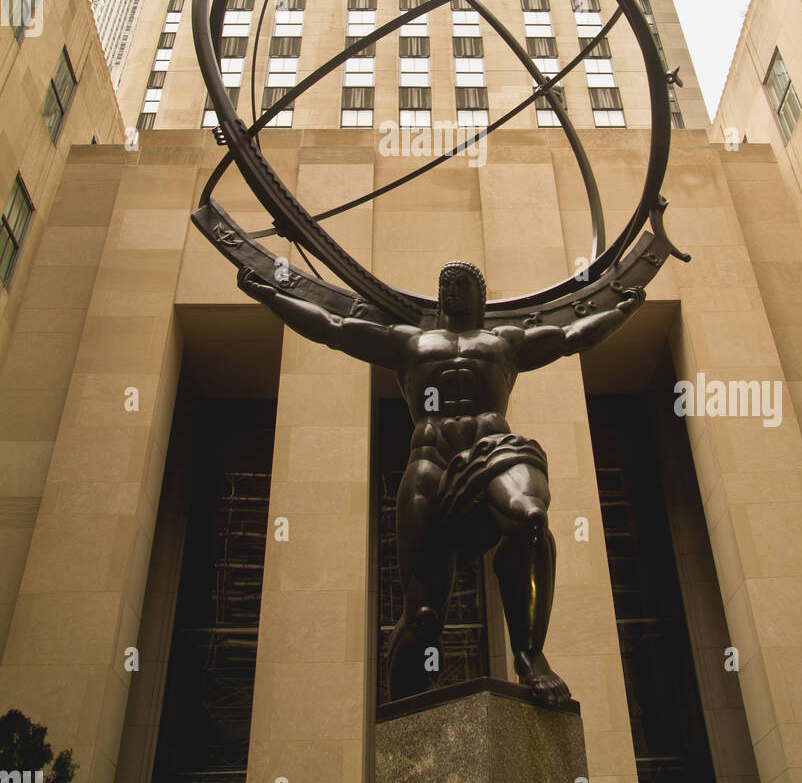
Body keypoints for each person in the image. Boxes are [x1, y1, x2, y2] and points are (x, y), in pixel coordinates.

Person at [238, 260, 643, 707]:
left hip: (491, 452)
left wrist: (624, 310)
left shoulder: (502, 341)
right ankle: (406, 715)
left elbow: (571, 337)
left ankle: (530, 656)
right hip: (429, 463)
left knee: (530, 518)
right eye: (446, 283)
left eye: (462, 284)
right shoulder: (409, 341)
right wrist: (270, 296)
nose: (451, 290)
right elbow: (333, 328)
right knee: (424, 615)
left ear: (480, 297)